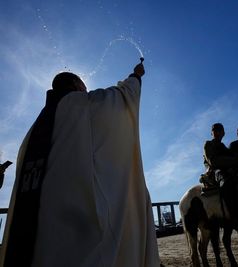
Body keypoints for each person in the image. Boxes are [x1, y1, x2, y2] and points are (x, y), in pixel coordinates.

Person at [0, 60, 160, 267]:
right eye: (84, 87)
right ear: (75, 86)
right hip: (75, 235)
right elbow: (121, 99)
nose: (87, 91)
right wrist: (136, 76)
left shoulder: (31, 134)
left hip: (31, 240)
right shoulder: (81, 104)